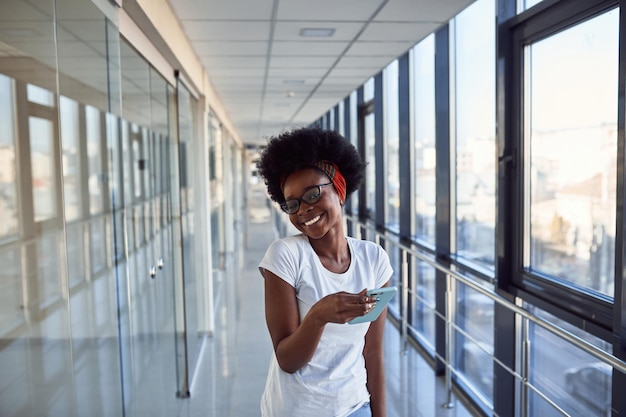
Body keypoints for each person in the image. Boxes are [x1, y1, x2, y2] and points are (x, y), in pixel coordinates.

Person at [256, 127, 393, 417]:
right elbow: (288, 360)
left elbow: (374, 353)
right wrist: (319, 316)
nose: (303, 209)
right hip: (296, 409)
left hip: (354, 406)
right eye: (292, 203)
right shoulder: (285, 256)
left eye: (313, 194)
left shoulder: (374, 260)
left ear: (339, 190)